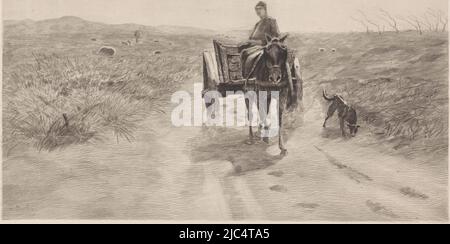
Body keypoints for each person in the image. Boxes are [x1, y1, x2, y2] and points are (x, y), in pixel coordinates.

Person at [240, 1, 281, 78]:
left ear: (265, 9)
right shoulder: (257, 24)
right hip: (254, 46)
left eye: (260, 9)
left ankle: (247, 77)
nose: (258, 11)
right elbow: (251, 38)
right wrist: (248, 42)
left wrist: (259, 42)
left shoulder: (271, 21)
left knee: (248, 56)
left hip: (266, 47)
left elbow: (276, 38)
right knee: (242, 51)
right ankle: (243, 76)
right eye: (256, 9)